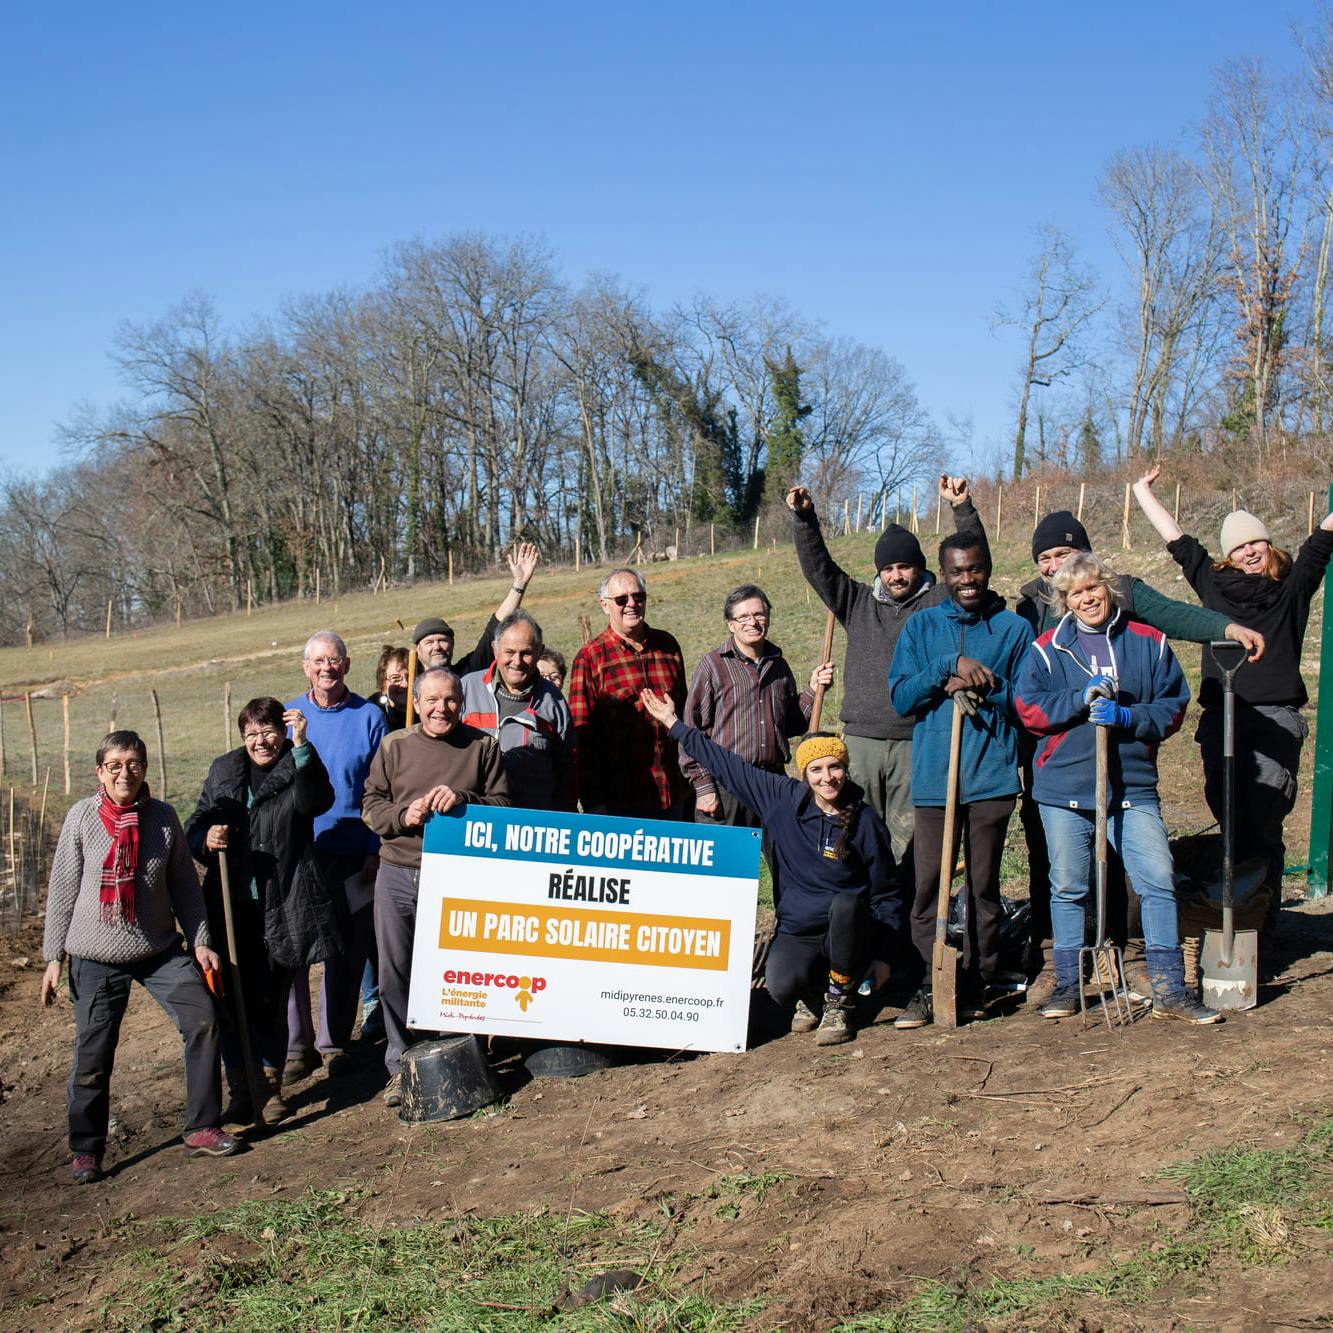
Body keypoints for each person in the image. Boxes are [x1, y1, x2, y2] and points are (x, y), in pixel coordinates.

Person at [1014, 509, 1265, 1002]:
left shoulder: (1148, 643)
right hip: (1064, 785)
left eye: (1094, 589)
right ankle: (1068, 981)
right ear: (1064, 599)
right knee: (1067, 886)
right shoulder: (1046, 648)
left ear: (1109, 588)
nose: (1087, 599)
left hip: (1130, 785)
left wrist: (1129, 719)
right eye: (1076, 592)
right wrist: (1077, 701)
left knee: (1156, 879)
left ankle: (1170, 983)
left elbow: (1173, 706)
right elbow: (1028, 707)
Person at [641, 689, 903, 1046]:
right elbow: (726, 764)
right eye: (816, 770)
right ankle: (812, 993)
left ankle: (839, 1000)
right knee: (780, 988)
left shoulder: (864, 821)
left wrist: (885, 957)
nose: (827, 778)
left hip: (851, 929)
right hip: (800, 928)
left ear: (845, 768)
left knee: (845, 903)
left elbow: (886, 892)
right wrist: (674, 724)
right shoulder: (781, 800)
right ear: (803, 774)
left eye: (834, 767)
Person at [1133, 464, 1333, 918]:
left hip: (1275, 720)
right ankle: (1234, 913)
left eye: (1255, 542)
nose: (1249, 552)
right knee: (1229, 817)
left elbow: (1323, 538)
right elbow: (1177, 540)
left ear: (1268, 544)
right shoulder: (1212, 584)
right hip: (1220, 718)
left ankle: (1262, 924)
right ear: (1229, 555)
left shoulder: (1292, 588)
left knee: (1262, 823)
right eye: (1240, 546)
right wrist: (1141, 491)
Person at [40, 731, 239, 1182]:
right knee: (94, 1052)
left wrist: (202, 940)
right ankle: (86, 1148)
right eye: (114, 765)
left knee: (203, 1017)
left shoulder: (164, 819)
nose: (124, 773)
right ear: (100, 772)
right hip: (94, 954)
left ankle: (202, 1127)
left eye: (133, 764)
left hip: (156, 948)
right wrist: (54, 957)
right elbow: (63, 890)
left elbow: (186, 889)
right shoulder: (81, 819)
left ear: (144, 769)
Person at [786, 476, 984, 873]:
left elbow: (972, 564)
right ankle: (860, 918)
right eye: (889, 568)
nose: (896, 575)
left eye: (904, 567)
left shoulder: (937, 602)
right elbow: (818, 568)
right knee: (855, 833)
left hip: (917, 741)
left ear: (920, 568)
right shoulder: (858, 602)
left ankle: (905, 922)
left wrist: (962, 510)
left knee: (910, 842)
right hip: (860, 744)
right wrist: (804, 520)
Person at [888, 533, 1034, 1028]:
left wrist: (984, 684)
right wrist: (945, 668)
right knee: (928, 886)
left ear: (987, 569)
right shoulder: (922, 626)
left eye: (974, 570)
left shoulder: (1014, 629)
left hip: (991, 777)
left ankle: (980, 978)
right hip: (934, 781)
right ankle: (930, 983)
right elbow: (902, 697)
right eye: (956, 572)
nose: (966, 580)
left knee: (982, 889)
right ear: (942, 575)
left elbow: (1026, 702)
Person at [361, 668, 513, 1106]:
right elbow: (370, 805)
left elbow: (504, 805)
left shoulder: (482, 747)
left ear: (461, 703)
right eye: (431, 700)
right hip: (398, 872)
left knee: (456, 971)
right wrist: (403, 817)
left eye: (449, 700)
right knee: (395, 972)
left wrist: (466, 801)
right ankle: (402, 1066)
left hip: (458, 874)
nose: (440, 708)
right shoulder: (394, 746)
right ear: (417, 701)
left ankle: (460, 1057)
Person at [186, 699, 341, 1126]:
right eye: (252, 734)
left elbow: (316, 802)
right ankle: (241, 1090)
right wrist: (206, 838)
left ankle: (269, 1088)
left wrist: (303, 745)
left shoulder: (299, 764)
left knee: (270, 1000)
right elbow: (194, 825)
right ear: (242, 738)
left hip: (284, 902)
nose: (261, 741)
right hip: (231, 909)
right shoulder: (223, 771)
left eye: (269, 731)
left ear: (283, 730)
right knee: (229, 999)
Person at [682, 583, 833, 902]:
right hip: (728, 784)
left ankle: (789, 940)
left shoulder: (779, 665)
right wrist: (704, 787)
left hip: (772, 783)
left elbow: (791, 723)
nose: (753, 622)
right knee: (721, 880)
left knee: (788, 868)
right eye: (744, 616)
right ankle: (722, 947)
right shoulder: (713, 666)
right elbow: (690, 729)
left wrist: (811, 691)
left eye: (759, 614)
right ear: (731, 623)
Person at [283, 630, 387, 1081]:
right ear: (306, 667)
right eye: (319, 661)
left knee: (346, 951)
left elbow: (380, 788)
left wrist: (372, 847)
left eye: (335, 660)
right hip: (303, 855)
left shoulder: (369, 717)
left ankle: (335, 1042)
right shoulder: (290, 717)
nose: (327, 667)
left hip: (354, 851)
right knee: (294, 952)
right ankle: (294, 1047)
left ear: (347, 665)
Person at [568, 568, 689, 819]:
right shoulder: (591, 658)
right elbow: (581, 738)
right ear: (604, 605)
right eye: (622, 599)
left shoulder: (667, 646)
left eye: (639, 597)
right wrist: (593, 803)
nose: (632, 604)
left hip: (674, 794)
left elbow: (687, 717)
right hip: (620, 803)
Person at [460, 611, 577, 810]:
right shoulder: (467, 689)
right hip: (473, 822)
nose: (517, 661)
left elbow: (568, 774)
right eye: (510, 652)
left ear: (540, 651)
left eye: (526, 653)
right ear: (495, 650)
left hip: (530, 825)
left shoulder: (554, 702)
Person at [411, 543, 541, 679]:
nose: (437, 647)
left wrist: (519, 583)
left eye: (442, 640)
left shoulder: (467, 674)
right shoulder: (407, 686)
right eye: (429, 642)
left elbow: (495, 629)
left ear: (452, 644)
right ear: (418, 650)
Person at [372, 645, 411, 732]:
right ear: (383, 685)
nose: (405, 684)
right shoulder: (373, 714)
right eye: (396, 679)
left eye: (410, 677)